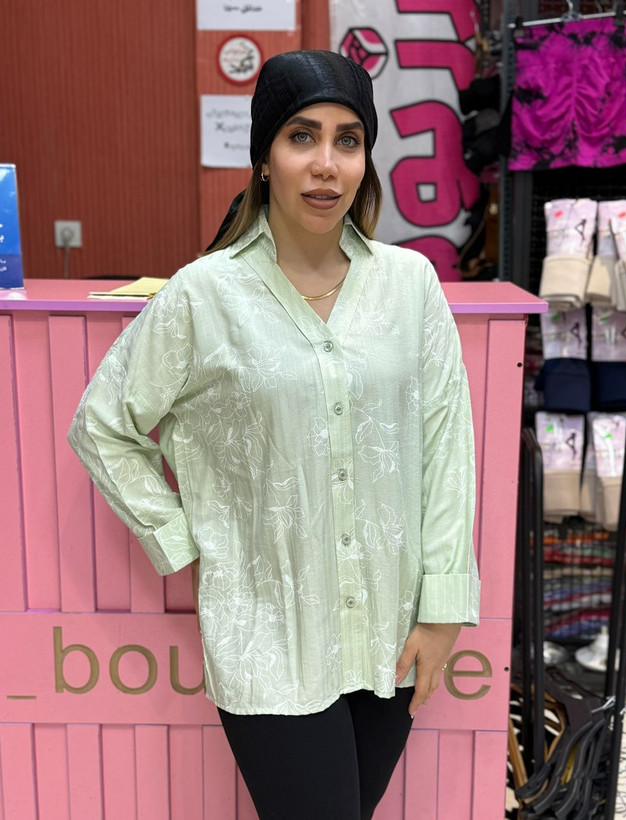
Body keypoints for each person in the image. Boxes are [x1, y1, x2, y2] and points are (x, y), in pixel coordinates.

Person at [68, 49, 480, 820]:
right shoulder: (205, 294)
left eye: (348, 140)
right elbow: (103, 424)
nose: (326, 164)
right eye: (301, 137)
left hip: (390, 631)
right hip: (270, 639)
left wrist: (444, 605)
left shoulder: (410, 285)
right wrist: (185, 542)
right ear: (264, 158)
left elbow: (446, 444)